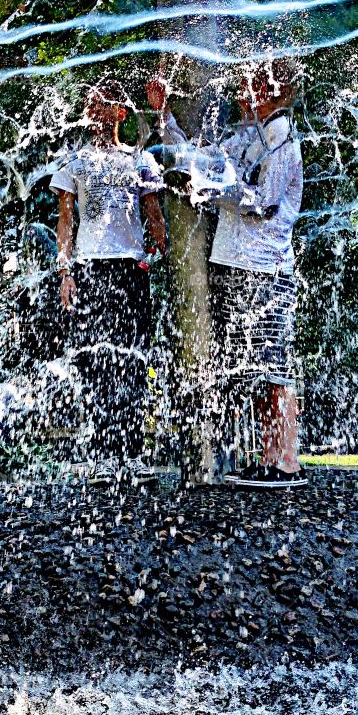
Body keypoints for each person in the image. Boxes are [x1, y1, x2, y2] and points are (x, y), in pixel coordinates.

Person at [147, 64, 307, 489]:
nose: (240, 93)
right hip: (238, 263)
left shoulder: (282, 137)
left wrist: (212, 191)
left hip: (266, 267)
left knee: (274, 366)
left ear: (270, 90)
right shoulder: (251, 135)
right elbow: (202, 158)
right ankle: (270, 458)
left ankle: (286, 462)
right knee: (257, 368)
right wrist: (164, 116)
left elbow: (265, 202)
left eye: (249, 85)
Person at [50, 80, 167, 482]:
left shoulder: (140, 159)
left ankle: (132, 453)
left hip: (130, 267)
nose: (95, 111)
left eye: (103, 104)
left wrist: (160, 253)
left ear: (120, 113)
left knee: (133, 359)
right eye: (90, 104)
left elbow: (153, 213)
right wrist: (65, 272)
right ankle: (103, 453)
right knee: (96, 361)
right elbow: (66, 221)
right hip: (91, 267)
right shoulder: (74, 161)